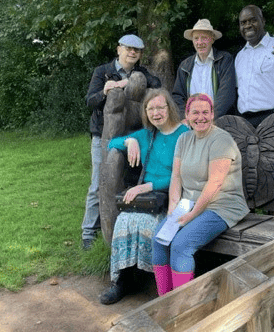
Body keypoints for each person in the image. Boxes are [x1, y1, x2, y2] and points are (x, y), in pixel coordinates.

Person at [152, 94, 249, 294]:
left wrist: (191, 215)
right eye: (195, 112)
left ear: (213, 114)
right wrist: (173, 209)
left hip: (222, 205)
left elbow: (215, 183)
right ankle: (164, 300)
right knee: (159, 240)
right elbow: (176, 177)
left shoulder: (221, 140)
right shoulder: (184, 138)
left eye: (206, 112)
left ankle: (183, 307)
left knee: (181, 244)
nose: (201, 117)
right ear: (187, 115)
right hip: (189, 204)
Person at [99, 89, 189, 304]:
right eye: (151, 109)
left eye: (160, 107)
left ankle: (158, 283)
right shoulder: (147, 134)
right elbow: (111, 143)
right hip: (148, 198)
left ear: (169, 108)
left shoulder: (184, 134)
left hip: (172, 195)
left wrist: (146, 186)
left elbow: (183, 173)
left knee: (147, 223)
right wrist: (130, 141)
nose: (156, 113)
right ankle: (122, 280)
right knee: (124, 221)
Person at [81, 34, 161, 250]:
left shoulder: (140, 73)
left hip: (133, 136)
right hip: (103, 135)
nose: (132, 52)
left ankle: (126, 226)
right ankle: (89, 233)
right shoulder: (102, 71)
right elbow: (90, 101)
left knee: (128, 179)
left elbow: (156, 84)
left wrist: (129, 82)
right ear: (119, 49)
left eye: (137, 50)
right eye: (128, 48)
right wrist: (105, 91)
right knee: (100, 183)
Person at [172, 19, 236, 120]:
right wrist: (185, 117)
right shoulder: (185, 65)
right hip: (193, 122)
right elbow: (177, 96)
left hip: (218, 121)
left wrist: (211, 118)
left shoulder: (224, 60)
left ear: (212, 39)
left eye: (204, 38)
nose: (200, 42)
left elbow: (226, 94)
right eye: (196, 38)